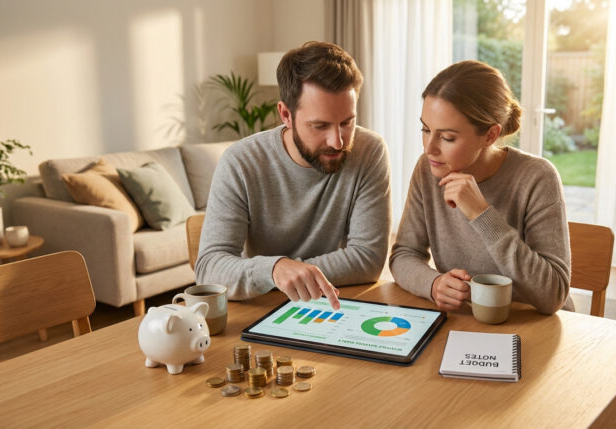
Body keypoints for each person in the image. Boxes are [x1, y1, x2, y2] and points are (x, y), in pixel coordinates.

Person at [196, 41, 391, 310]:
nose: (337, 141)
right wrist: (275, 269)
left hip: (336, 304)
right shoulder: (240, 162)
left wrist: (292, 273)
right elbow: (208, 269)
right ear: (286, 115)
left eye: (347, 122)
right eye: (320, 125)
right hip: (264, 308)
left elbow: (368, 259)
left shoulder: (370, 151)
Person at [389, 60, 573, 314]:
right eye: (425, 129)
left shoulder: (537, 177)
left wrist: (482, 215)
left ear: (489, 136)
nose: (429, 148)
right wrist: (433, 284)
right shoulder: (427, 170)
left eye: (447, 137)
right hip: (466, 321)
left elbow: (553, 295)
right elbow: (404, 254)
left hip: (532, 324)